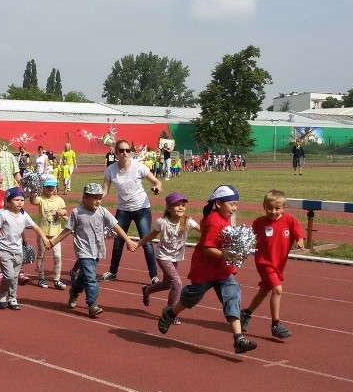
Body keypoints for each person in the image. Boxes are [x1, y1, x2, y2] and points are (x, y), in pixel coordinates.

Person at [156, 185, 258, 355]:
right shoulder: (213, 221)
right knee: (191, 298)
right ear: (218, 203)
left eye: (236, 204)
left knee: (233, 297)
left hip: (223, 269)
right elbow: (207, 248)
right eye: (231, 204)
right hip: (205, 269)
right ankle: (170, 314)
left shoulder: (226, 218)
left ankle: (238, 339)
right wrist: (228, 255)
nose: (235, 208)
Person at [50, 183, 137, 318]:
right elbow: (67, 230)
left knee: (84, 277)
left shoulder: (102, 211)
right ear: (85, 197)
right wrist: (53, 242)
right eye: (94, 198)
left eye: (100, 198)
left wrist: (128, 240)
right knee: (91, 278)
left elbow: (116, 226)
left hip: (96, 250)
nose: (98, 201)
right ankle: (92, 305)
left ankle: (74, 291)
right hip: (83, 250)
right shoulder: (77, 212)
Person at [241, 190, 306, 339]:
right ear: (264, 206)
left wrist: (300, 242)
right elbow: (250, 238)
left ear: (284, 208)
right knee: (277, 290)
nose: (273, 212)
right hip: (264, 263)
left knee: (264, 291)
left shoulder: (290, 221)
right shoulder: (259, 222)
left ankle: (246, 313)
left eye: (277, 208)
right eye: (269, 208)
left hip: (279, 264)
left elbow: (299, 234)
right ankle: (275, 324)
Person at [100, 139, 162, 284]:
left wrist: (157, 187)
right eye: (121, 150)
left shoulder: (139, 167)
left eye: (127, 150)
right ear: (115, 153)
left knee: (146, 242)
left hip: (142, 209)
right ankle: (113, 272)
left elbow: (157, 181)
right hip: (123, 210)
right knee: (118, 241)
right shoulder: (111, 170)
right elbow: (104, 190)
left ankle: (154, 276)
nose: (125, 153)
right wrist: (95, 198)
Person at [138, 192, 199, 323]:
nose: (181, 207)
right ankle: (170, 313)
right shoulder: (162, 222)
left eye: (183, 205)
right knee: (177, 283)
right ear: (169, 208)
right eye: (177, 205)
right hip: (163, 256)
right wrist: (137, 243)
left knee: (167, 284)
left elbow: (205, 231)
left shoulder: (188, 222)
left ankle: (147, 289)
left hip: (176, 256)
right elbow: (151, 236)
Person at [0, 187, 51, 310]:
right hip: (5, 251)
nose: (20, 202)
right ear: (9, 201)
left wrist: (44, 238)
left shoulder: (24, 215)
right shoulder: (3, 215)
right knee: (9, 276)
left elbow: (36, 227)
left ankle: (12, 298)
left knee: (15, 277)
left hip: (18, 251)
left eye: (22, 200)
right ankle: (2, 294)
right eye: (16, 200)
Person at [30, 177, 68, 289]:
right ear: (43, 187)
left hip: (56, 235)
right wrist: (32, 191)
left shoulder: (60, 200)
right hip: (43, 234)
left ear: (56, 186)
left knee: (57, 256)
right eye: (47, 186)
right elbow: (33, 201)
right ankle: (41, 278)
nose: (50, 188)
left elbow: (65, 211)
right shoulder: (41, 199)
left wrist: (63, 211)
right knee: (41, 256)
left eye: (52, 185)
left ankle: (57, 279)